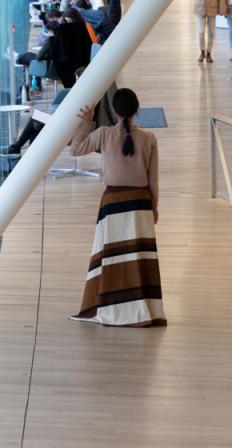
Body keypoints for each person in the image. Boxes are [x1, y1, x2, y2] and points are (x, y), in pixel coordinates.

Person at [69, 89, 165, 327]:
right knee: (140, 257)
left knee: (111, 257)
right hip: (141, 202)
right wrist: (154, 207)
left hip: (113, 203)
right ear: (137, 110)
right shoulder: (149, 138)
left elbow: (75, 149)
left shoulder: (103, 134)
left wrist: (87, 121)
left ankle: (113, 308)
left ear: (113, 110)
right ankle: (145, 310)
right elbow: (153, 179)